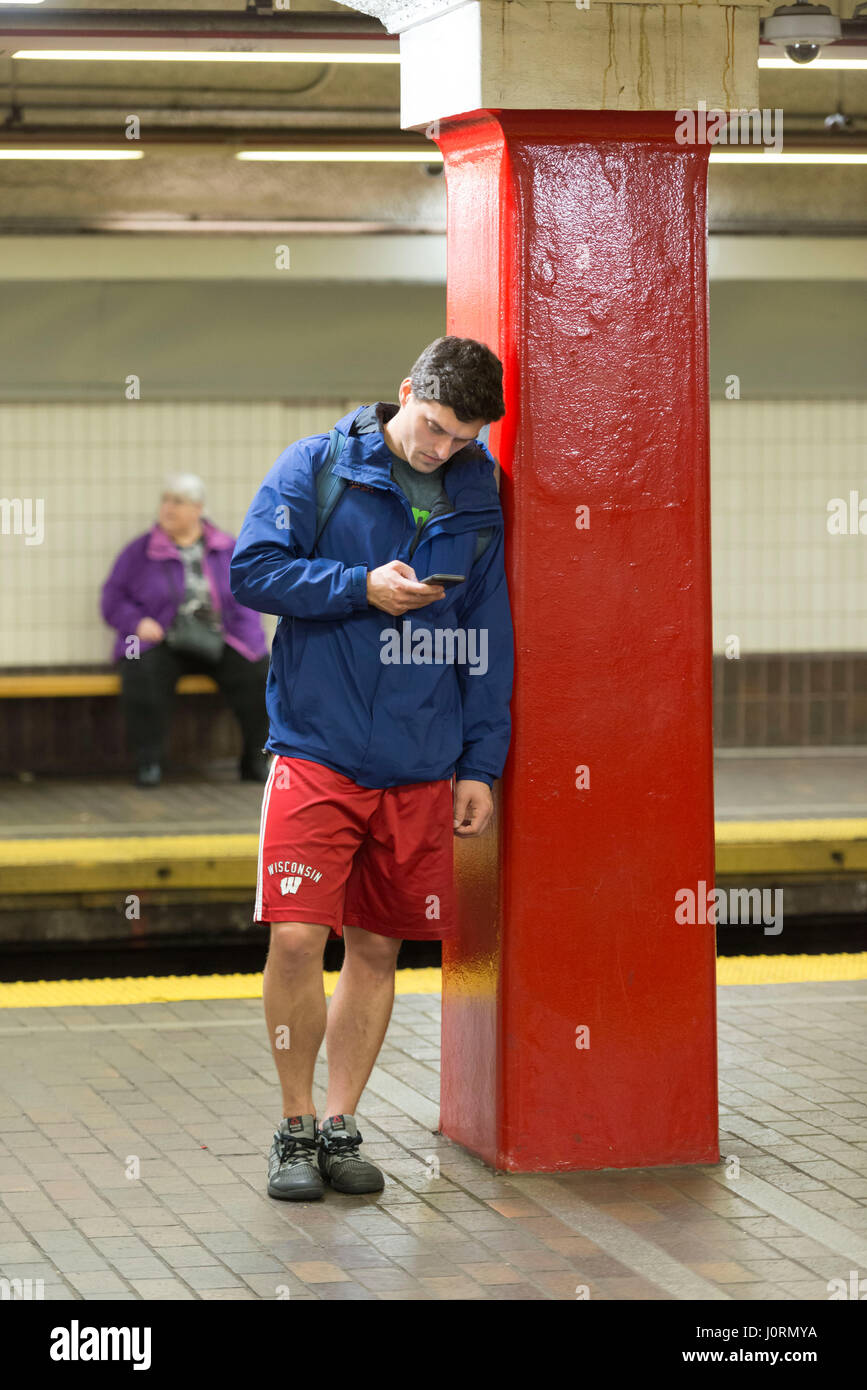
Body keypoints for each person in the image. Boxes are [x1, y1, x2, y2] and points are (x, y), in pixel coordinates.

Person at [230, 335, 514, 1201]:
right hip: (316, 747)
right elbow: (252, 571)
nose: (442, 449)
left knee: (379, 946)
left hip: (421, 759)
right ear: (404, 397)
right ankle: (294, 1124)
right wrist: (360, 586)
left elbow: (489, 634)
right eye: (432, 427)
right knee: (294, 937)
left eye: (462, 436)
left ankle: (343, 1123)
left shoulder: (477, 492)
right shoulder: (316, 465)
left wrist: (481, 762)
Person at [100, 474, 271, 787]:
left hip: (219, 637)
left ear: (197, 509)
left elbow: (248, 596)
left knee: (259, 673)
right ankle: (148, 762)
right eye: (165, 500)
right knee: (137, 664)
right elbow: (112, 599)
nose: (167, 508)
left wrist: (249, 639)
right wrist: (137, 623)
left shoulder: (227, 547)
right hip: (155, 639)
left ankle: (254, 761)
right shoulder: (139, 552)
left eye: (177, 502)